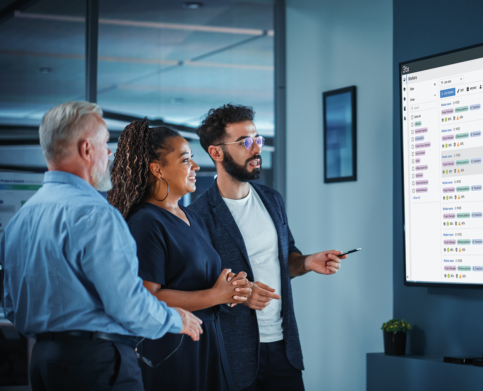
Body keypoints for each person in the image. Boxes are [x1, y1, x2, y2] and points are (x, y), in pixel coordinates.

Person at [0, 102, 203, 391]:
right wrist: (175, 319)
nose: (109, 153)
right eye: (105, 143)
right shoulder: (95, 213)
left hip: (42, 363)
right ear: (86, 150)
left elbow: (10, 305)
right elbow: (127, 303)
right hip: (96, 364)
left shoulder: (22, 219)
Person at [189, 104, 347, 391]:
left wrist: (308, 262)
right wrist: (241, 294)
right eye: (245, 142)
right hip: (233, 354)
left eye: (258, 139)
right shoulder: (198, 215)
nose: (256, 149)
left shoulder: (272, 199)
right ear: (216, 152)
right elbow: (198, 288)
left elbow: (286, 259)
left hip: (284, 349)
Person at [107, 120, 253, 391]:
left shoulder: (192, 218)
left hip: (208, 342)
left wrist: (232, 289)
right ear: (157, 169)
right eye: (186, 160)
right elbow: (147, 297)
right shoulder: (145, 222)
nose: (196, 167)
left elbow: (196, 280)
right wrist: (214, 295)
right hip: (173, 350)